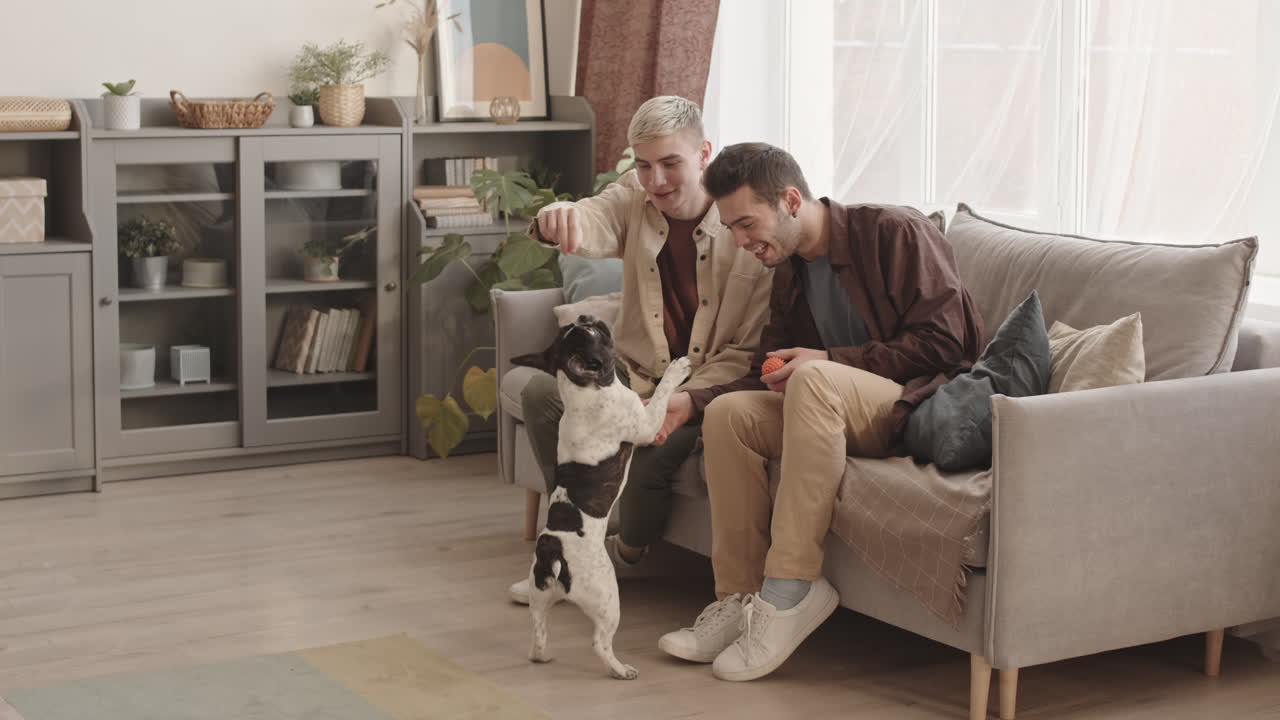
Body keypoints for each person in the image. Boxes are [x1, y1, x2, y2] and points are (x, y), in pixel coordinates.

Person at [656, 143, 984, 681]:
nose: (740, 243)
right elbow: (771, 368)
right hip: (828, 407)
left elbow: (948, 344)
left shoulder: (895, 232)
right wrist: (692, 401)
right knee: (731, 415)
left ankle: (792, 588)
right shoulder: (789, 268)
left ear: (790, 200)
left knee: (813, 377)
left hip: (914, 404)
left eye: (746, 224)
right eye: (731, 229)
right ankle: (739, 599)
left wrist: (830, 359)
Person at [507, 98, 772, 604]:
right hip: (634, 372)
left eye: (671, 163)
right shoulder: (634, 196)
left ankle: (621, 553)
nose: (656, 181)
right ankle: (574, 539)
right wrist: (556, 216)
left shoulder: (745, 223)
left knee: (652, 454)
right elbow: (591, 218)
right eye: (644, 164)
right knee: (545, 394)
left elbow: (748, 348)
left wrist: (689, 398)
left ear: (704, 155)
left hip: (704, 381)